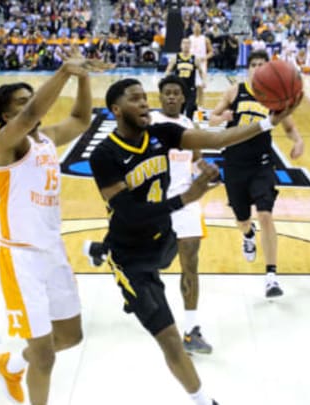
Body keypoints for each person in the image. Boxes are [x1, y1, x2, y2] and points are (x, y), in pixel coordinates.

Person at [89, 77, 299, 405]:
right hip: (132, 256)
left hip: (163, 237)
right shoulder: (104, 155)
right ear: (116, 110)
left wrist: (267, 122)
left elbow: (219, 137)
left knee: (188, 261)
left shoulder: (163, 133)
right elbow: (128, 212)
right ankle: (204, 400)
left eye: (145, 98)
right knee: (170, 340)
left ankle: (99, 251)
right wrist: (185, 198)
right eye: (135, 99)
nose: (144, 103)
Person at [0, 53, 110, 405]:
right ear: (9, 115)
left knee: (70, 337)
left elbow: (81, 118)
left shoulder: (46, 139)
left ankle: (8, 363)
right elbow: (31, 116)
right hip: (19, 257)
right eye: (23, 103)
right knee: (44, 356)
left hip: (52, 252)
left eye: (31, 98)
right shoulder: (6, 144)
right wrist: (63, 71)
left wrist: (83, 76)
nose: (33, 107)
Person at [84, 76, 213, 354]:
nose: (170, 98)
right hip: (154, 205)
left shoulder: (189, 125)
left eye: (176, 93)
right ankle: (122, 270)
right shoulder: (147, 123)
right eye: (165, 93)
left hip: (185, 202)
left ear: (183, 98)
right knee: (144, 252)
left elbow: (197, 157)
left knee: (189, 262)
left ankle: (191, 328)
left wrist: (207, 172)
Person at [209, 50, 305, 298]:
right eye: (254, 64)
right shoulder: (235, 91)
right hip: (233, 163)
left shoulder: (275, 97)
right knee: (243, 220)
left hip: (261, 163)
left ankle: (271, 276)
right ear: (248, 68)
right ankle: (248, 235)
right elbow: (211, 118)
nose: (258, 68)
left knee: (265, 215)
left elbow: (289, 126)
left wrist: (298, 141)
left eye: (263, 64)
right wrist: (222, 116)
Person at [164, 38, 207, 120]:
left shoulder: (194, 58)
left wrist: (204, 81)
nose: (186, 45)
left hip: (191, 89)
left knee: (189, 111)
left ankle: (189, 127)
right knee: (179, 112)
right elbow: (168, 70)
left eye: (188, 43)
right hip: (179, 90)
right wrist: (166, 80)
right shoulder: (176, 58)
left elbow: (201, 72)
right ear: (181, 45)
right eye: (184, 43)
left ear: (190, 45)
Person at [188, 22, 213, 107]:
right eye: (195, 26)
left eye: (198, 26)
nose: (197, 28)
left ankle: (200, 107)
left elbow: (211, 52)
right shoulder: (189, 38)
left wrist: (204, 57)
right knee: (191, 86)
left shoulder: (205, 39)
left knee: (200, 87)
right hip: (191, 64)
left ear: (201, 28)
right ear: (192, 28)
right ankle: (191, 106)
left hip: (201, 65)